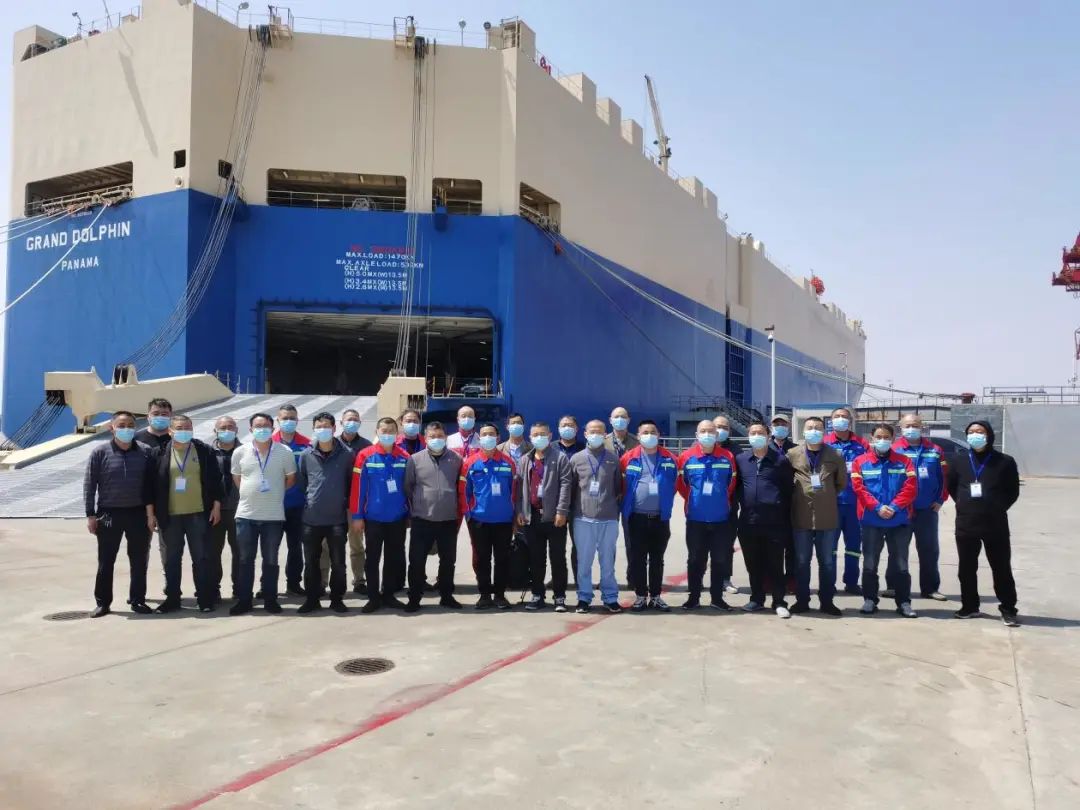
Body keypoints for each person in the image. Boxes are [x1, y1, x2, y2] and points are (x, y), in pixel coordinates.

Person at [945, 421, 1021, 626]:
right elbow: (951, 486)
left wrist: (997, 507)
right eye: (971, 432)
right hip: (966, 522)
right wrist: (964, 504)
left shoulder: (1004, 461)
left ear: (989, 435)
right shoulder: (959, 460)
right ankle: (970, 606)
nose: (975, 435)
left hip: (995, 523)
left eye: (980, 431)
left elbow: (1012, 491)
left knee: (1001, 567)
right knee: (966, 568)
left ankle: (1008, 608)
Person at [148, 415, 223, 614]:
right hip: (170, 516)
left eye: (188, 428)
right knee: (172, 559)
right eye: (179, 428)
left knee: (201, 558)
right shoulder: (159, 452)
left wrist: (216, 506)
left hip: (198, 513)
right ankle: (172, 598)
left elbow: (216, 480)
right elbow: (150, 486)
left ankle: (205, 598)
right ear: (170, 431)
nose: (184, 431)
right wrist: (151, 514)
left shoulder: (203, 450)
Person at [83, 411, 155, 617]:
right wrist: (90, 515)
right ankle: (103, 603)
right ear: (111, 428)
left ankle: (138, 600)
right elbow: (90, 485)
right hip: (108, 514)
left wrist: (152, 514)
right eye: (121, 425)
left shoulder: (145, 451)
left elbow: (152, 485)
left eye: (130, 425)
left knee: (139, 560)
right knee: (106, 561)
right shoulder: (100, 452)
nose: (126, 429)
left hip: (138, 513)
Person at [230, 412, 297, 615]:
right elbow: (237, 479)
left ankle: (270, 599)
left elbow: (290, 479)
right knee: (245, 560)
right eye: (258, 426)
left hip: (273, 517)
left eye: (266, 426)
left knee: (270, 560)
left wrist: (274, 493)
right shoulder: (240, 452)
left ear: (272, 428)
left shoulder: (284, 451)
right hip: (246, 516)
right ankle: (244, 600)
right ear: (250, 429)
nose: (262, 430)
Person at [851, 423, 918, 618]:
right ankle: (870, 600)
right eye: (878, 437)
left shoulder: (904, 461)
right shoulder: (860, 461)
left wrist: (894, 507)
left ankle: (904, 602)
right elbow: (859, 488)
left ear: (893, 439)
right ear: (872, 439)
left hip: (899, 520)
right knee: (870, 563)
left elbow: (911, 487)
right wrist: (878, 507)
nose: (882, 440)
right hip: (871, 520)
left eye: (886, 437)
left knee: (901, 564)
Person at [295, 412, 354, 614]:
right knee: (311, 562)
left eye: (326, 426)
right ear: (313, 429)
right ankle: (312, 599)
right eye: (319, 427)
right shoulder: (306, 455)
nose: (323, 430)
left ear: (334, 428)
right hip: (311, 519)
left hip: (337, 519)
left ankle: (337, 599)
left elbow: (350, 483)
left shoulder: (347, 454)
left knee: (338, 563)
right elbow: (303, 482)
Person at [350, 417, 410, 613]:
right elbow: (358, 488)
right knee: (372, 559)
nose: (387, 434)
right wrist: (357, 516)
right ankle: (373, 597)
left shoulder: (404, 457)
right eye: (384, 431)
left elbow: (409, 488)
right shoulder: (365, 456)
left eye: (391, 431)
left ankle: (389, 594)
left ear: (397, 433)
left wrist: (409, 513)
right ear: (376, 432)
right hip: (373, 518)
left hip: (397, 518)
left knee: (393, 558)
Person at [735, 422, 794, 618]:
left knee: (775, 564)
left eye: (760, 432)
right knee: (753, 564)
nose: (756, 436)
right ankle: (757, 599)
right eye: (752, 433)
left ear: (768, 436)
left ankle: (779, 601)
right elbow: (737, 487)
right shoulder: (742, 460)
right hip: (748, 522)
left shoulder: (780, 460)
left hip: (774, 522)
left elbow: (788, 490)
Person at [787, 416, 846, 616]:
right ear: (803, 431)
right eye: (810, 427)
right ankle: (802, 600)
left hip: (826, 516)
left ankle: (827, 601)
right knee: (802, 562)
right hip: (801, 516)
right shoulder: (792, 454)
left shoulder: (835, 455)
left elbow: (841, 483)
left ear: (824, 431)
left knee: (827, 562)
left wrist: (824, 496)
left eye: (818, 428)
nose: (814, 431)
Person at [677, 420, 738, 611]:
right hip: (696, 518)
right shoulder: (686, 457)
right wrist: (695, 499)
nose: (707, 434)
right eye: (703, 431)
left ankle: (717, 598)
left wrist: (719, 499)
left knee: (719, 560)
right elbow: (682, 485)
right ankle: (693, 597)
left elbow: (731, 484)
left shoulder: (727, 456)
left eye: (711, 431)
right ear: (696, 435)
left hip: (721, 519)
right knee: (695, 560)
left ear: (716, 434)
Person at [403, 421, 464, 612]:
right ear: (425, 438)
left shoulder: (456, 459)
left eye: (440, 436)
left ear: (445, 437)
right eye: (432, 436)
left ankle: (446, 596)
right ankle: (414, 598)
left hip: (448, 519)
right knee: (417, 560)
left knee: (448, 560)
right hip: (422, 519)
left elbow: (459, 486)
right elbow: (408, 487)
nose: (436, 439)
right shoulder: (414, 460)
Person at [620, 420, 678, 612]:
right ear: (638, 436)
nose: (649, 435)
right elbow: (621, 484)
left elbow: (677, 483)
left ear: (659, 435)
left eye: (653, 432)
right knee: (638, 559)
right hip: (636, 517)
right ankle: (640, 596)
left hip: (660, 518)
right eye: (645, 432)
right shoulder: (628, 458)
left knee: (657, 559)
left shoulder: (670, 458)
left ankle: (655, 596)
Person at [515, 421, 572, 612]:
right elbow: (519, 488)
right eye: (535, 435)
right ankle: (537, 594)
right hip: (532, 517)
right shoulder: (525, 459)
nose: (539, 438)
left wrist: (562, 511)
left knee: (558, 558)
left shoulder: (560, 458)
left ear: (550, 436)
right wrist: (520, 510)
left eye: (543, 434)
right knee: (536, 558)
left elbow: (565, 485)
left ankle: (559, 596)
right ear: (530, 437)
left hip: (554, 517)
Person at [460, 424, 518, 610]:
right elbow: (463, 492)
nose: (488, 437)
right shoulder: (470, 463)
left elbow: (515, 492)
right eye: (484, 434)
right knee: (482, 559)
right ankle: (484, 595)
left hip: (504, 520)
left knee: (502, 559)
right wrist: (469, 514)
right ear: (480, 438)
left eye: (491, 434)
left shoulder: (508, 463)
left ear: (498, 437)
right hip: (479, 521)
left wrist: (514, 516)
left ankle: (500, 595)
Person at [892, 414, 949, 601]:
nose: (911, 428)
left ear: (922, 427)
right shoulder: (894, 449)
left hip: (927, 510)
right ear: (901, 428)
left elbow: (944, 477)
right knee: (898, 550)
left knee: (929, 550)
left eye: (915, 425)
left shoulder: (935, 450)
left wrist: (940, 500)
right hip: (901, 510)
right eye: (907, 425)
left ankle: (930, 588)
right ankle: (894, 587)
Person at [569, 420, 624, 613]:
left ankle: (610, 597)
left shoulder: (613, 459)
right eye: (592, 431)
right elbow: (571, 489)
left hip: (608, 518)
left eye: (599, 432)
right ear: (585, 434)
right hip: (583, 518)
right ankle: (584, 597)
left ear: (605, 434)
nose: (595, 435)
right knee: (584, 562)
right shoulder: (576, 459)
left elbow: (617, 488)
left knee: (607, 562)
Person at [824, 407, 869, 595]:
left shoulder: (862, 444)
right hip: (830, 504)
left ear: (850, 421)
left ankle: (851, 582)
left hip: (855, 504)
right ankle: (829, 583)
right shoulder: (824, 443)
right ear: (831, 420)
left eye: (844, 416)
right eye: (837, 416)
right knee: (829, 547)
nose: (840, 419)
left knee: (853, 547)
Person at [272, 404, 311, 597]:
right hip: (273, 506)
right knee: (270, 549)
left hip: (298, 505)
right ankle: (267, 586)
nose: (288, 421)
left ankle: (294, 584)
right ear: (278, 420)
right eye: (285, 418)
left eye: (292, 418)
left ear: (297, 420)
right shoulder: (269, 442)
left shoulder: (307, 444)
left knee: (296, 548)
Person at [337, 409, 371, 596]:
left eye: (355, 419)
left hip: (355, 504)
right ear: (341, 422)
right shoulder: (332, 443)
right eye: (348, 419)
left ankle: (359, 580)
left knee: (356, 545)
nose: (352, 422)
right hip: (334, 503)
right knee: (327, 546)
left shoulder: (366, 446)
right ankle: (324, 581)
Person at [208, 416, 240, 606]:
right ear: (215, 431)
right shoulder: (207, 452)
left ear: (236, 429)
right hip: (214, 511)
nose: (227, 430)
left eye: (230, 427)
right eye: (222, 427)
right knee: (213, 553)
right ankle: (213, 590)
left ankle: (240, 589)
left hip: (239, 509)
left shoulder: (246, 450)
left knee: (240, 552)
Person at [555, 415, 586, 584]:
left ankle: (579, 579)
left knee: (579, 545)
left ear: (577, 429)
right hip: (556, 504)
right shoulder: (551, 448)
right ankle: (558, 579)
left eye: (570, 425)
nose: (567, 428)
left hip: (578, 503)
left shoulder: (584, 448)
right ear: (558, 428)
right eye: (563, 425)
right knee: (557, 546)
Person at [713, 414, 742, 595]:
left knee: (726, 545)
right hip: (702, 509)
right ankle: (697, 580)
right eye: (717, 426)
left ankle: (725, 579)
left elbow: (741, 478)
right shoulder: (697, 448)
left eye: (724, 427)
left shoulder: (736, 451)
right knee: (700, 547)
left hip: (729, 507)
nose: (720, 430)